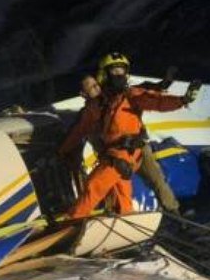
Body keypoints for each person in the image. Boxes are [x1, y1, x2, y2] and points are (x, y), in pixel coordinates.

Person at [59, 52, 198, 218]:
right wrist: (63, 150)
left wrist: (181, 100)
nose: (118, 75)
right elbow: (78, 131)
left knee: (155, 180)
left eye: (121, 71)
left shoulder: (129, 95)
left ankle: (175, 213)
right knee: (118, 189)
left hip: (133, 150)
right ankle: (124, 215)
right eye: (114, 71)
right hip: (114, 156)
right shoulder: (96, 106)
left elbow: (153, 99)